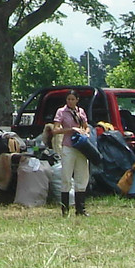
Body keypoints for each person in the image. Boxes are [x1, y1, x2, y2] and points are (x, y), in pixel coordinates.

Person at [45, 89, 91, 217]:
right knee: (66, 177)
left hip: (81, 147)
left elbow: (86, 125)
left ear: (77, 100)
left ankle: (80, 209)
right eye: (68, 99)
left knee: (82, 177)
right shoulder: (61, 112)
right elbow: (55, 130)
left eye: (72, 99)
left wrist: (86, 132)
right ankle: (65, 209)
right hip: (68, 147)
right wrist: (71, 129)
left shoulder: (80, 112)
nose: (70, 101)